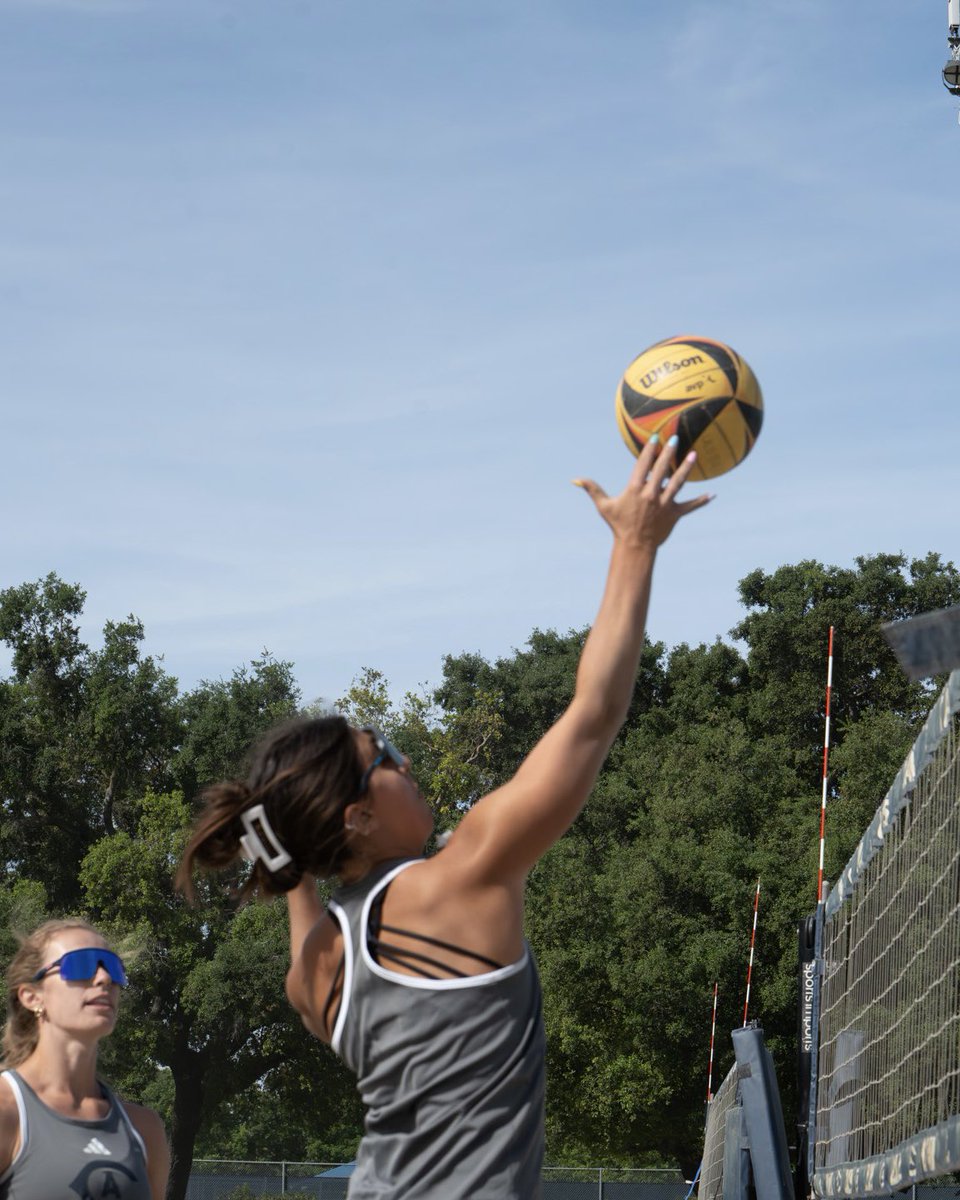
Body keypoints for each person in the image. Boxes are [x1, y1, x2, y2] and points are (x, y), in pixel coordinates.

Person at [177, 435, 710, 1199]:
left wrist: (278, 841)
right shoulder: (458, 882)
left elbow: (292, 885)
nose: (406, 763)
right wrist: (635, 544)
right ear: (358, 818)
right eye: (386, 756)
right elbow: (595, 715)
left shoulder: (316, 973)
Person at [0, 919, 170, 1200]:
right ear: (32, 996)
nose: (104, 978)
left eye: (112, 967)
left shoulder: (144, 1129)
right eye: (80, 965)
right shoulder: (7, 1110)